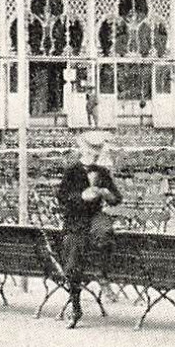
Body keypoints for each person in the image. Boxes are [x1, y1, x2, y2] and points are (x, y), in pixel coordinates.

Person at [55, 130, 122, 328]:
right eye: (92, 151)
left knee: (104, 232)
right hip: (76, 219)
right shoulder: (72, 171)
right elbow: (62, 198)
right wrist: (81, 197)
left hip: (95, 217)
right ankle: (76, 306)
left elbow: (117, 198)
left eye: (98, 151)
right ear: (83, 150)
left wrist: (106, 193)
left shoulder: (102, 172)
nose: (95, 154)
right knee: (74, 254)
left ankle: (101, 274)